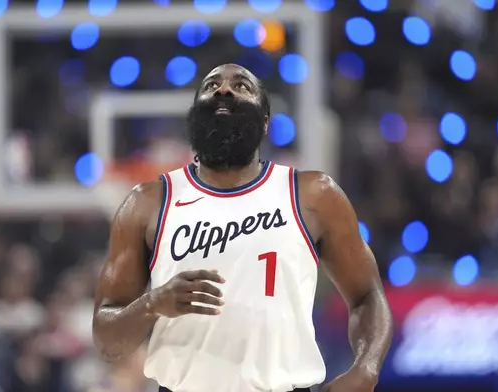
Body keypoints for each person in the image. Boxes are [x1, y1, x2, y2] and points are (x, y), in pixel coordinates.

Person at [93, 64, 393, 392]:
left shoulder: (313, 194)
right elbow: (108, 342)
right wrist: (152, 303)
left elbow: (367, 295)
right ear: (194, 115)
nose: (224, 90)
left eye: (242, 86)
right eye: (211, 85)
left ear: (265, 122)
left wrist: (367, 367)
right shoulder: (147, 203)